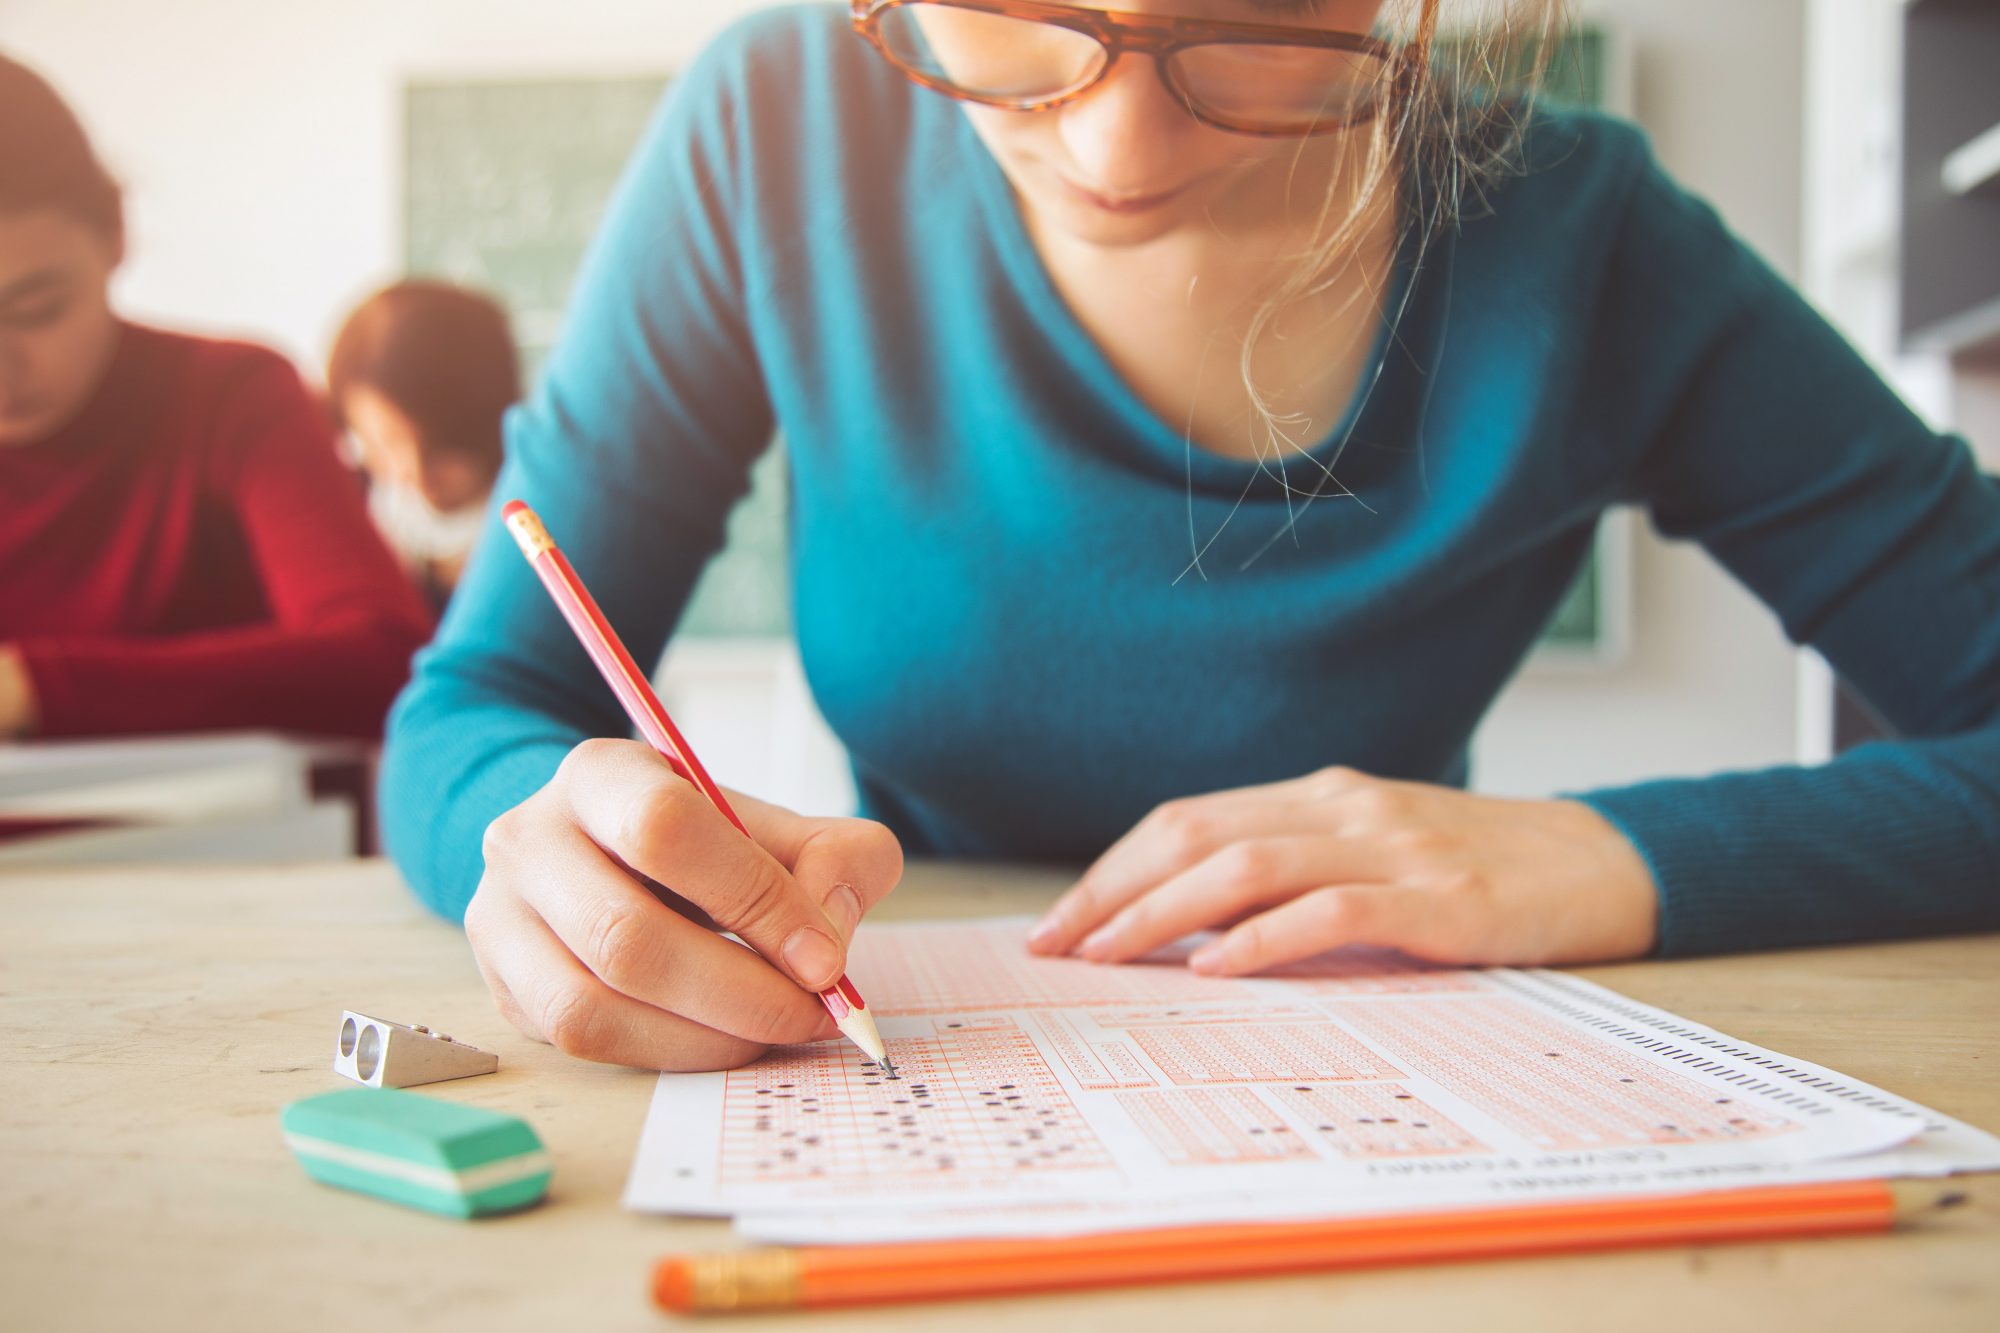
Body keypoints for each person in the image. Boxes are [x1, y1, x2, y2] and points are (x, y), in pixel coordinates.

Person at [380, 1, 2000, 1072]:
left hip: (1390, 1096)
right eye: (1023, 9)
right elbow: (472, 707)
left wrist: (1605, 854)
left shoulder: (1583, 239)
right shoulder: (780, 125)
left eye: (1254, 12)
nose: (1113, 153)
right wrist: (540, 841)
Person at [0, 53, 433, 741]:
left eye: (39, 309)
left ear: (116, 232)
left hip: (225, 845)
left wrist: (34, 686)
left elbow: (383, 656)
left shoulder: (231, 396)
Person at [328, 280, 518, 609]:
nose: (411, 472)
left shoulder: (543, 515)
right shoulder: (350, 503)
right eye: (383, 443)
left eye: (440, 449)